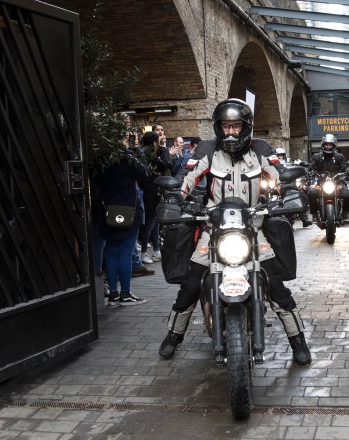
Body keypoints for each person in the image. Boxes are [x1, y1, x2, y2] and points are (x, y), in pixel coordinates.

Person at [158, 98, 311, 365]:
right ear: (218, 127)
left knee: (276, 286)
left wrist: (287, 190)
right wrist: (175, 197)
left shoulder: (261, 149)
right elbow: (188, 176)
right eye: (226, 126)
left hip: (254, 226)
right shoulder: (207, 149)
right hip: (213, 227)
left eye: (236, 126)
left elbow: (278, 172)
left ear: (246, 127)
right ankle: (174, 335)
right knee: (191, 284)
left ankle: (298, 341)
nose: (230, 132)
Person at [95, 135, 149, 306]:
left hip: (108, 210)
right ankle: (125, 293)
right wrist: (135, 152)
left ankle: (113, 293)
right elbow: (144, 173)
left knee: (111, 253)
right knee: (125, 252)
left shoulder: (100, 161)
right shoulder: (125, 158)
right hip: (128, 210)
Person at [308, 134, 349, 222]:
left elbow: (344, 166)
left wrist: (348, 169)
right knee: (311, 193)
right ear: (323, 145)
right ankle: (314, 214)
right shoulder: (316, 156)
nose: (328, 146)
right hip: (321, 183)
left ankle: (345, 212)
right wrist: (307, 170)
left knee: (347, 195)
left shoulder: (339, 156)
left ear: (333, 146)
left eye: (330, 145)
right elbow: (311, 165)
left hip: (337, 182)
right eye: (326, 144)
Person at [139, 131, 173, 264]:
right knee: (149, 223)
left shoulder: (153, 153)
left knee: (155, 223)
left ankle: (157, 250)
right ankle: (144, 252)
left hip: (153, 191)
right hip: (149, 192)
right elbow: (164, 165)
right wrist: (159, 155)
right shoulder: (145, 155)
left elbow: (167, 165)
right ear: (154, 142)